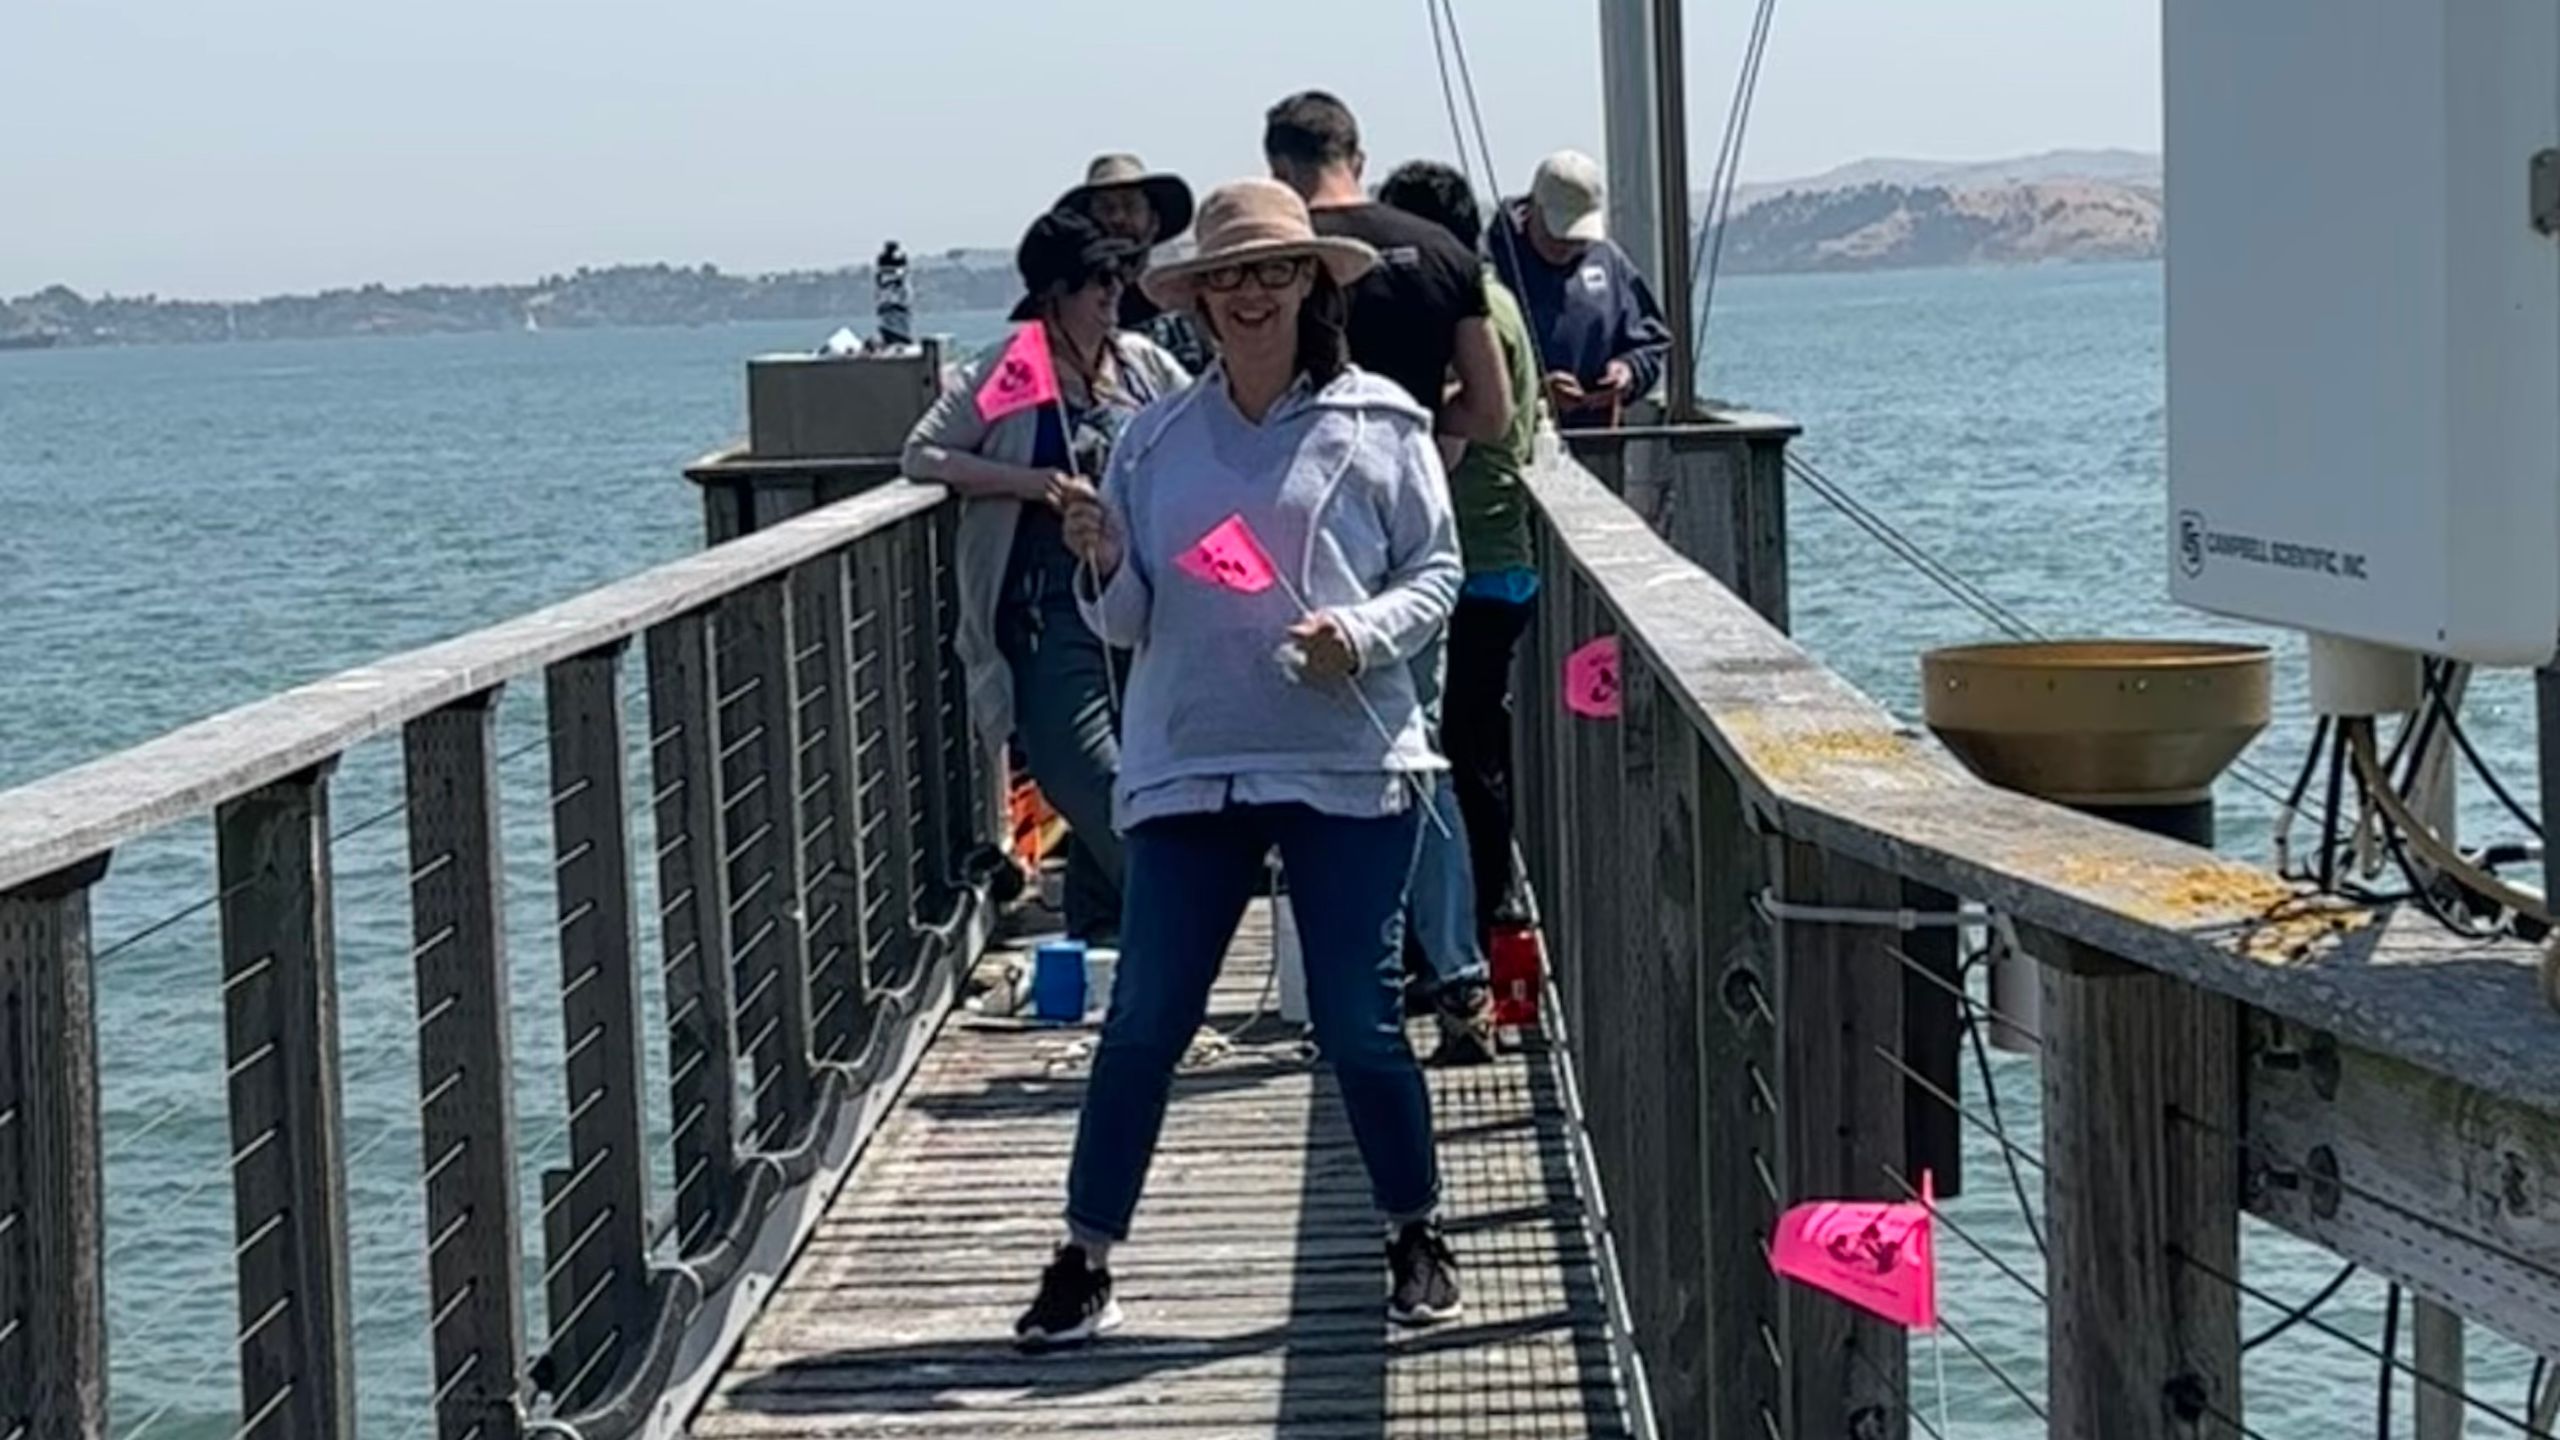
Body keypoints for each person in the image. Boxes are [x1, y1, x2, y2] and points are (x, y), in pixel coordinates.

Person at [1015, 178, 1465, 1349]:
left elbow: (1436, 572)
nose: (1249, 295)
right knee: (1146, 1020)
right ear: (1196, 298)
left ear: (1313, 282)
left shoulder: (1383, 424)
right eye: (1226, 277)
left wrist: (1359, 636)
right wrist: (1101, 556)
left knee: (1362, 1024)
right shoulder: (1152, 439)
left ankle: (1412, 1228)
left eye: (1271, 272)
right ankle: (1085, 1254)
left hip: (1348, 766)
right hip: (1188, 766)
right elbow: (1123, 623)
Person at [902, 210, 1190, 946]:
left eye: (1120, 274)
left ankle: (1112, 943)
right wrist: (1030, 483)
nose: (1114, 290)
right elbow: (925, 456)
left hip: (1136, 596)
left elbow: (1198, 430)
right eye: (1098, 278)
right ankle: (1181, 922)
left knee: (1143, 763)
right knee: (1084, 772)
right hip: (1046, 605)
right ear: (1054, 293)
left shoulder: (1138, 365)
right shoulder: (1020, 366)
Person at [1377, 160, 1545, 1067]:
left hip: (1470, 564)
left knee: (1453, 761)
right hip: (1502, 560)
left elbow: (1459, 437)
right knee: (1473, 755)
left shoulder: (1468, 310)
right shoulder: (1497, 303)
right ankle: (1474, 931)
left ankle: (1464, 940)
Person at [1261, 91, 1512, 461]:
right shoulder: (1445, 249)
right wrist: (1408, 414)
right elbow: (1491, 413)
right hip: (1408, 483)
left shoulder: (1275, 257)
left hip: (1301, 480)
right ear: (1357, 162)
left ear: (1280, 171)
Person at [1488, 149, 1673, 427]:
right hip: (1516, 444)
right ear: (1534, 209)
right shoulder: (1491, 263)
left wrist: (1629, 372)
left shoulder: (1608, 259)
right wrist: (1534, 391)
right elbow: (1466, 368)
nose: (1568, 246)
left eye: (1578, 238)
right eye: (1559, 233)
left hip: (1599, 445)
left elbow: (1650, 340)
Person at [1057, 153, 1214, 374]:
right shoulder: (1072, 312)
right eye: (1107, 209)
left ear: (1154, 221)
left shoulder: (1187, 301)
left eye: (1130, 206)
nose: (1118, 219)